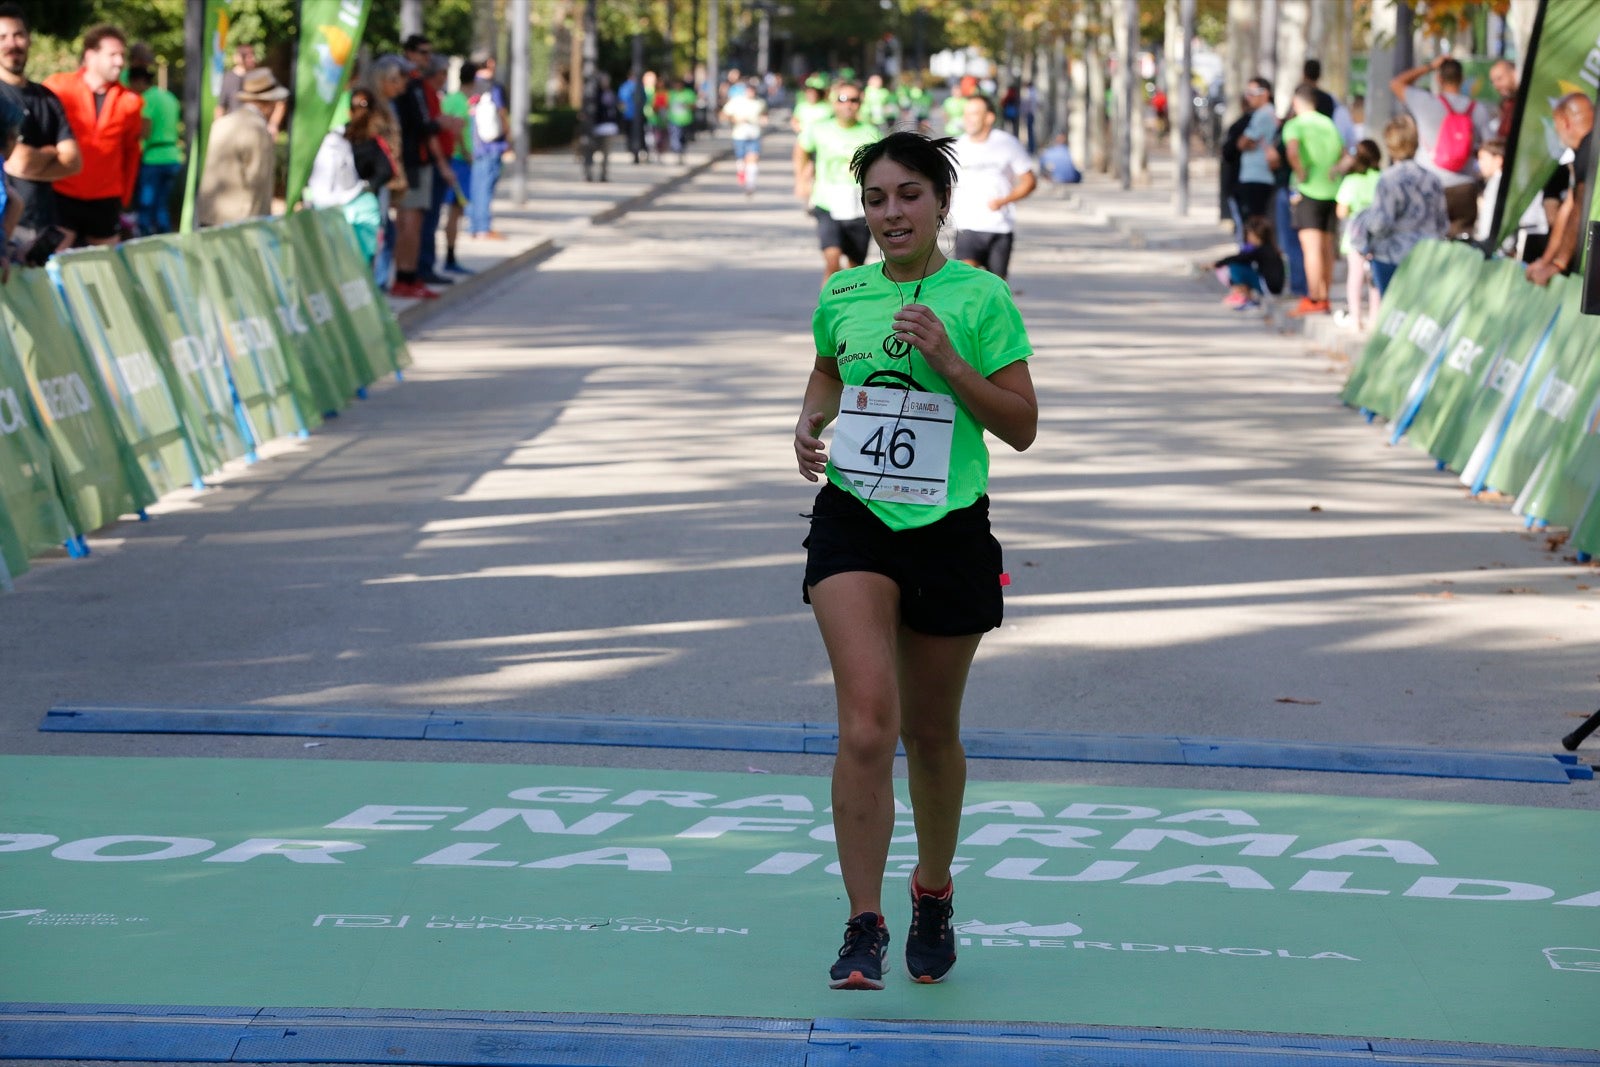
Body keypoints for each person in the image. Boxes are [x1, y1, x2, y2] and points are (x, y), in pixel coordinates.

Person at [792, 129, 1037, 992]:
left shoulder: (981, 297)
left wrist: (946, 358)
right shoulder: (844, 290)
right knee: (867, 721)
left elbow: (1019, 424)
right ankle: (864, 923)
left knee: (932, 733)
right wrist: (807, 420)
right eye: (876, 200)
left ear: (940, 204)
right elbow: (828, 372)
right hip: (854, 520)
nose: (891, 213)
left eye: (908, 196)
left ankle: (932, 889)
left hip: (950, 530)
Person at [41, 24, 140, 246]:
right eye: (113, 54)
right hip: (61, 194)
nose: (120, 62)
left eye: (122, 55)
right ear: (90, 55)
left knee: (103, 269)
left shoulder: (131, 101)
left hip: (106, 199)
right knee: (53, 263)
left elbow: (131, 151)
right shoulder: (58, 87)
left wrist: (125, 197)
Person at [0, 3, 80, 262]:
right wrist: (53, 152)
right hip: (6, 229)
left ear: (29, 39)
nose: (12, 43)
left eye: (18, 35)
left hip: (44, 226)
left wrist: (33, 158)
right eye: (2, 37)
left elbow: (74, 161)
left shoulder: (48, 98)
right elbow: (16, 162)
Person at [1388, 54, 1493, 237]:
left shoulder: (1425, 102)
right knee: (1461, 245)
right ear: (1462, 79)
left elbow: (1397, 83)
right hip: (1465, 187)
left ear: (1439, 78)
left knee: (1429, 243)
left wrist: (1429, 66)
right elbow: (1490, 144)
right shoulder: (1477, 109)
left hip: (1429, 184)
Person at [794, 81, 882, 284]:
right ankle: (828, 311)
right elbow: (801, 149)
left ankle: (849, 309)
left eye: (854, 100)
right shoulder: (820, 129)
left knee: (855, 268)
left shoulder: (872, 133)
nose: (848, 105)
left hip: (859, 205)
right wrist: (800, 179)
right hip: (827, 202)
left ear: (860, 104)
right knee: (832, 260)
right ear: (834, 103)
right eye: (843, 99)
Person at [950, 94, 1036, 282]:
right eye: (965, 114)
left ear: (989, 117)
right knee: (965, 285)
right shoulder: (957, 146)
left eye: (974, 114)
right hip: (967, 226)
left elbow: (1029, 181)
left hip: (999, 226)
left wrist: (1004, 201)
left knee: (996, 288)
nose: (968, 119)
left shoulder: (1007, 144)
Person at [1359, 115, 1447, 294]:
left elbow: (1381, 223)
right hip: (1427, 255)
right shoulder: (1433, 180)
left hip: (1393, 256)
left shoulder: (1388, 179)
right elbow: (1443, 224)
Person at [390, 40, 446, 299]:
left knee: (412, 221)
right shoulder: (412, 85)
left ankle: (408, 276)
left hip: (416, 160)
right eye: (423, 53)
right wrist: (441, 125)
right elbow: (422, 125)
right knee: (410, 222)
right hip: (412, 162)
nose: (427, 58)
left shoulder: (414, 83)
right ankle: (405, 277)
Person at [1282, 83, 1344, 317]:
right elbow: (1343, 154)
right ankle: (1324, 296)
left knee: (1311, 248)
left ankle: (1314, 297)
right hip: (1332, 190)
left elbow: (1292, 151)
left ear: (1296, 102)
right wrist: (1334, 170)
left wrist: (1299, 172)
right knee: (1327, 247)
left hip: (1308, 190)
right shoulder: (1328, 124)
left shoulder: (1295, 125)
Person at [196, 68, 285, 227]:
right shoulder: (257, 129)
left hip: (209, 215)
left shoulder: (222, 123)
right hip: (240, 222)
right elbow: (258, 180)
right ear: (268, 104)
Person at [1526, 93, 1593, 287]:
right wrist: (1546, 261)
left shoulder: (1590, 150)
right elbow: (1568, 209)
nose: (1555, 131)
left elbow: (1580, 209)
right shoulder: (1585, 150)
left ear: (1565, 122)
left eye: (1554, 124)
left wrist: (1557, 264)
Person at [1334, 139, 1382, 331]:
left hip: (1356, 236)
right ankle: (1374, 318)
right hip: (1378, 234)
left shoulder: (1352, 181)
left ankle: (1355, 318)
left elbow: (1342, 211)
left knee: (1356, 276)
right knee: (1374, 278)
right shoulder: (1382, 178)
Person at [127, 65, 180, 236]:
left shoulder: (146, 99)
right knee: (162, 206)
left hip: (153, 159)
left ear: (139, 81)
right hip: (173, 156)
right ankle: (166, 240)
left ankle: (145, 241)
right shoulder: (170, 97)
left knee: (147, 206)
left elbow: (145, 131)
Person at [467, 53, 508, 240]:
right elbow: (501, 113)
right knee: (485, 187)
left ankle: (475, 225)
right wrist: (508, 135)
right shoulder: (493, 86)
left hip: (474, 144)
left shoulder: (470, 84)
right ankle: (483, 227)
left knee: (476, 186)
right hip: (491, 144)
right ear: (490, 63)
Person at [1213, 213, 1284, 311]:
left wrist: (1216, 264)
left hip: (1268, 286)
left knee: (1236, 268)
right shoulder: (1269, 248)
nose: (1247, 238)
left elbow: (1239, 258)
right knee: (1242, 266)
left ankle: (1245, 297)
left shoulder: (1260, 250)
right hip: (1273, 286)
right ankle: (1241, 294)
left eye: (1248, 234)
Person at [439, 68, 472, 273]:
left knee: (453, 211)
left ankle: (449, 257)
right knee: (455, 211)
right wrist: (465, 152)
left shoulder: (449, 99)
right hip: (458, 162)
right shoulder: (460, 101)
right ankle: (450, 258)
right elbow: (457, 129)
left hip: (451, 159)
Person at [1233, 78, 1278, 229]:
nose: (1248, 97)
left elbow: (1241, 143)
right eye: (1247, 93)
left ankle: (1255, 252)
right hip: (1259, 175)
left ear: (1264, 94)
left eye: (1252, 93)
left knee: (1255, 224)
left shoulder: (1263, 114)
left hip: (1257, 176)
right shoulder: (1266, 113)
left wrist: (1249, 143)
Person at [217, 44, 284, 137]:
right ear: (238, 57)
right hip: (235, 129)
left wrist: (273, 124)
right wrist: (219, 127)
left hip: (257, 129)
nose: (252, 59)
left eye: (252, 55)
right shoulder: (228, 78)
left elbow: (281, 100)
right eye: (248, 56)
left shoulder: (262, 77)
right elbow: (221, 106)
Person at [721, 75, 766, 196]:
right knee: (741, 159)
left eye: (753, 89)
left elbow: (764, 115)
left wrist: (764, 120)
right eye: (749, 89)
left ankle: (750, 184)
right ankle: (741, 172)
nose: (751, 92)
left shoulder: (760, 103)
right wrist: (735, 119)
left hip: (754, 135)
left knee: (753, 159)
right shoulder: (736, 101)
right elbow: (724, 115)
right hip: (739, 135)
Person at [582, 72, 620, 183]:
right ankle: (588, 173)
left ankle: (604, 174)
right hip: (594, 128)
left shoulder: (610, 94)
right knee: (590, 151)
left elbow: (615, 110)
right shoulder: (592, 95)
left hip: (608, 127)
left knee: (606, 153)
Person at [666, 76, 696, 164]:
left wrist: (686, 105)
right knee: (675, 136)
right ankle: (677, 152)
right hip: (674, 120)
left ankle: (681, 152)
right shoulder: (671, 94)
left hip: (686, 120)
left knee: (683, 138)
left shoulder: (689, 93)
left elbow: (694, 105)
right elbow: (666, 105)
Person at [1488, 58, 1518, 139]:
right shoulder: (1505, 103)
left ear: (1515, 74)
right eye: (1493, 81)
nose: (1496, 86)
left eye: (1499, 79)